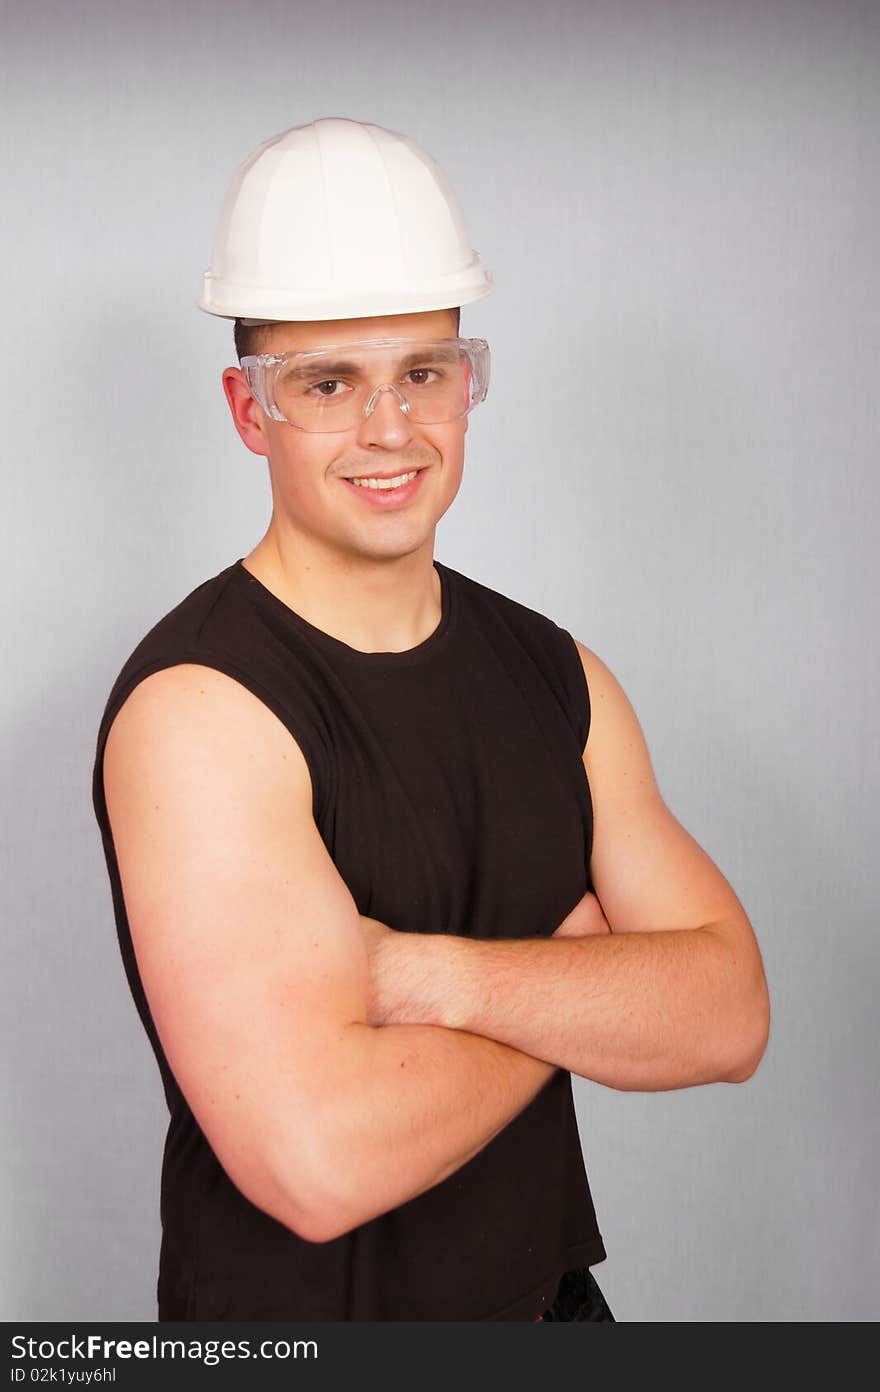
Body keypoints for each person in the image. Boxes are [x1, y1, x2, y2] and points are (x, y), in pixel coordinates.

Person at [91, 117, 770, 1323]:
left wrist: (422, 975)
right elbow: (318, 1163)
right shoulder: (200, 711)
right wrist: (580, 979)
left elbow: (725, 1014)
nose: (390, 429)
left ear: (468, 382)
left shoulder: (559, 676)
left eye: (423, 373)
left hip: (550, 1310)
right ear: (251, 412)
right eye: (327, 383)